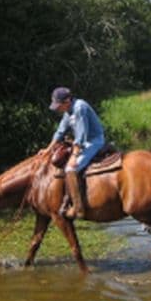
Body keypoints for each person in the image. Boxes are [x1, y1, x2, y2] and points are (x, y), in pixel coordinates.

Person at [45, 86, 106, 219]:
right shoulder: (68, 111)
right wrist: (48, 149)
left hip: (93, 140)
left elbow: (82, 134)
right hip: (80, 141)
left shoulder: (79, 108)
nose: (57, 109)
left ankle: (78, 208)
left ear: (67, 101)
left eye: (58, 105)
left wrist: (74, 155)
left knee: (70, 169)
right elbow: (60, 131)